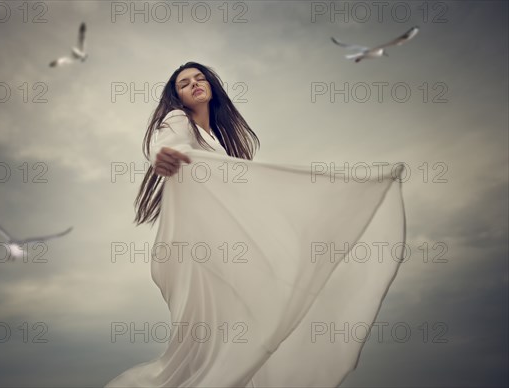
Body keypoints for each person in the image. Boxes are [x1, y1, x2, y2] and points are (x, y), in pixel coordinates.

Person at [105, 62, 407, 387]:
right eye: (184, 83)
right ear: (176, 96)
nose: (194, 84)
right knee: (214, 342)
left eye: (199, 78)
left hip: (224, 251)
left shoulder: (216, 140)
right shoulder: (178, 119)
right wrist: (164, 156)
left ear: (211, 86)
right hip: (199, 252)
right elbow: (168, 144)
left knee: (244, 332)